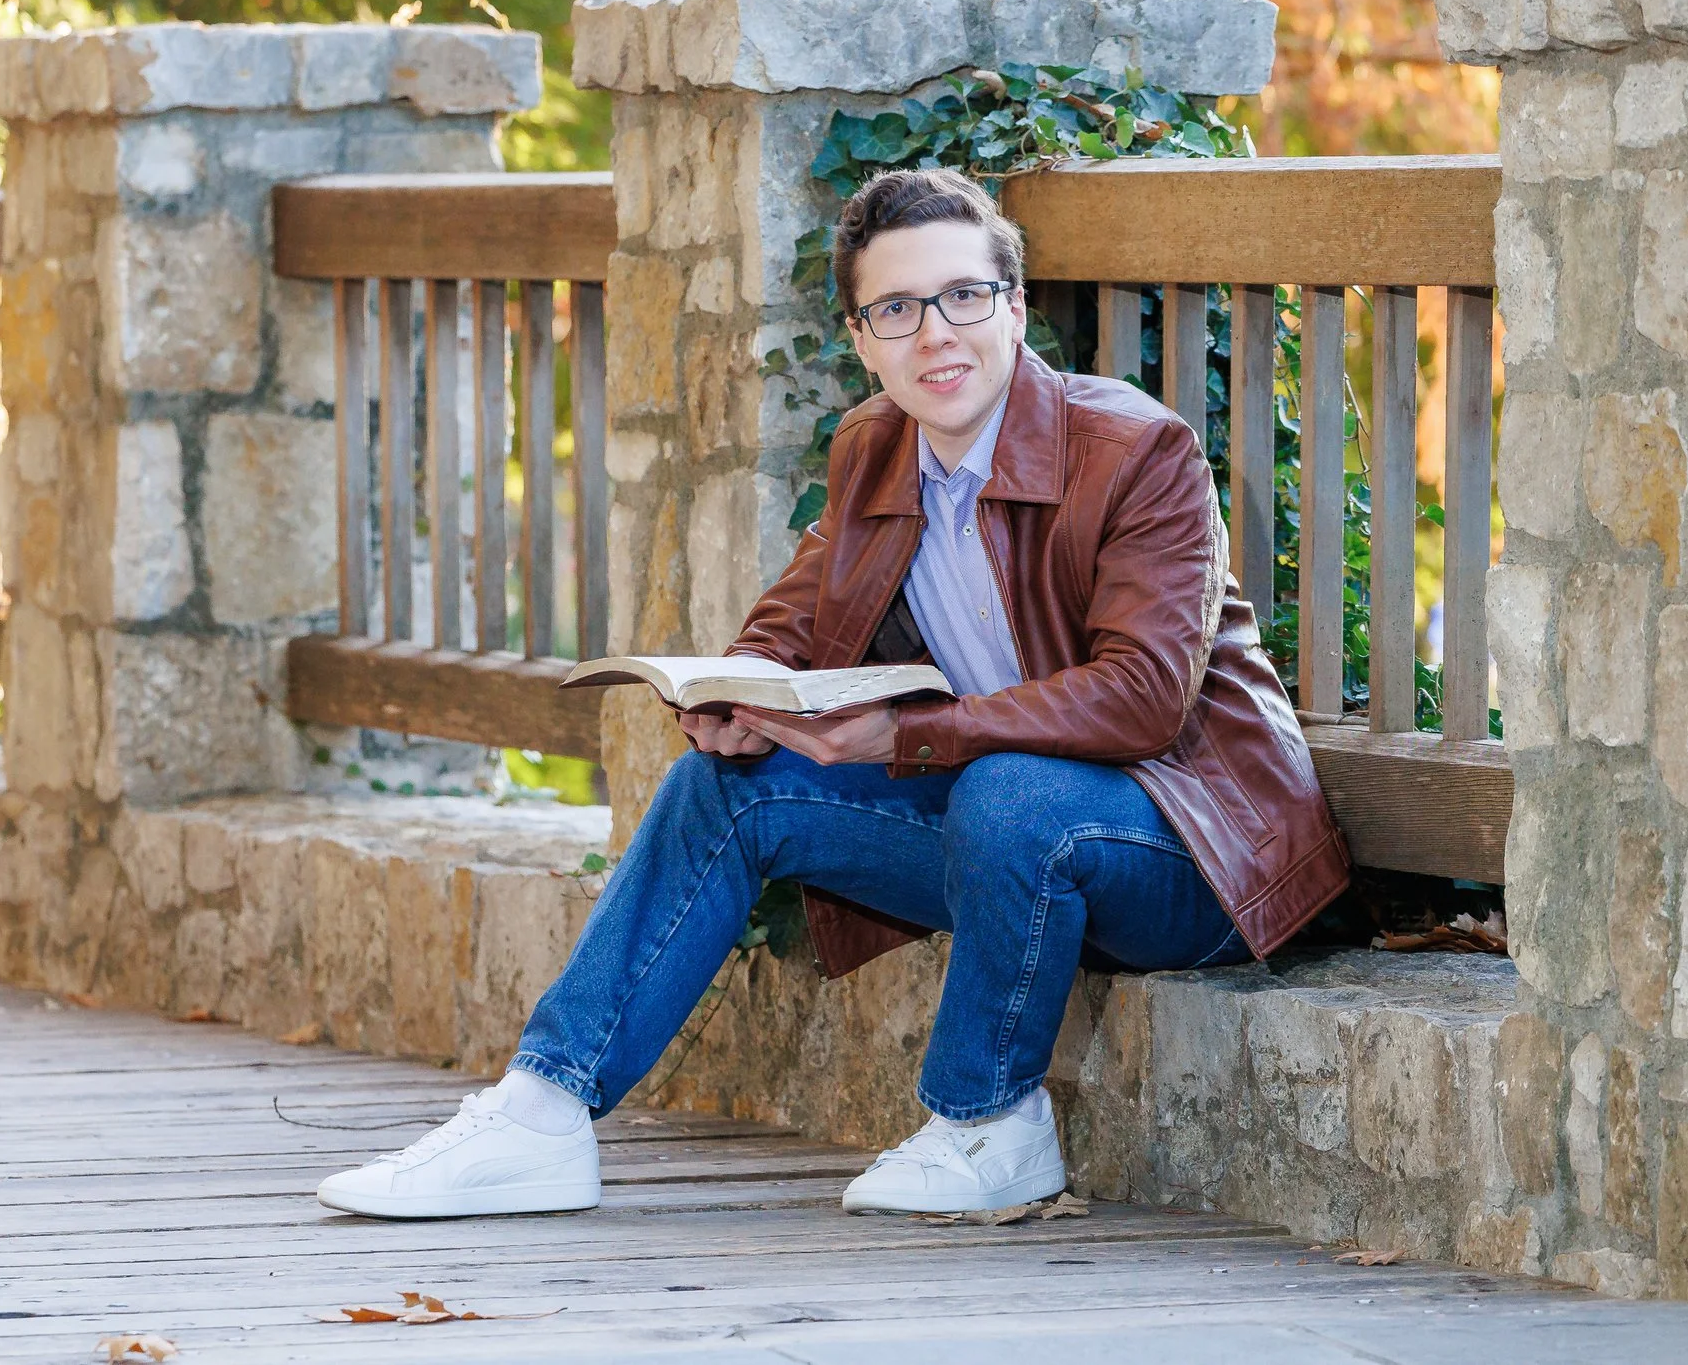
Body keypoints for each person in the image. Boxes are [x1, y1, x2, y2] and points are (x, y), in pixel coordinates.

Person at [316, 166, 1349, 1220]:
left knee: (1006, 795)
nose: (935, 334)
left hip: (1191, 846)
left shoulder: (1136, 450)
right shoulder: (874, 448)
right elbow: (801, 611)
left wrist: (911, 735)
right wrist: (735, 691)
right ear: (861, 337)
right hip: (1006, 837)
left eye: (962, 296)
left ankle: (988, 1123)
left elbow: (1141, 700)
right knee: (725, 787)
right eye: (896, 309)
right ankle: (541, 1112)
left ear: (1016, 307)